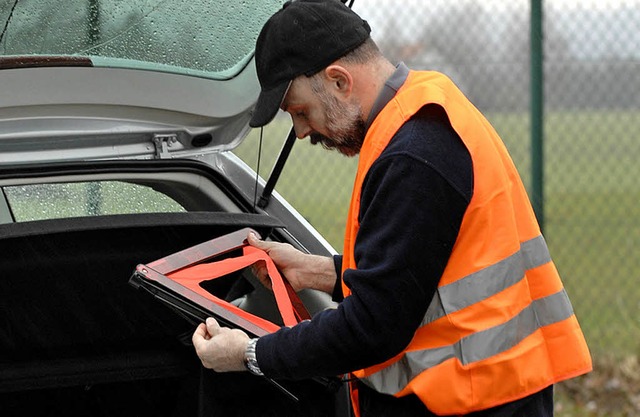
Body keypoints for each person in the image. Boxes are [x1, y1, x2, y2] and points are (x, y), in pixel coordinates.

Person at [191, 0, 592, 415]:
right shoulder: (422, 109)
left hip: (474, 399)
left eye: (300, 111)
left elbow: (372, 326)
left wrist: (250, 354)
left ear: (339, 81)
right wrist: (316, 270)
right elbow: (418, 271)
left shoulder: (413, 154)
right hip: (489, 389)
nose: (302, 130)